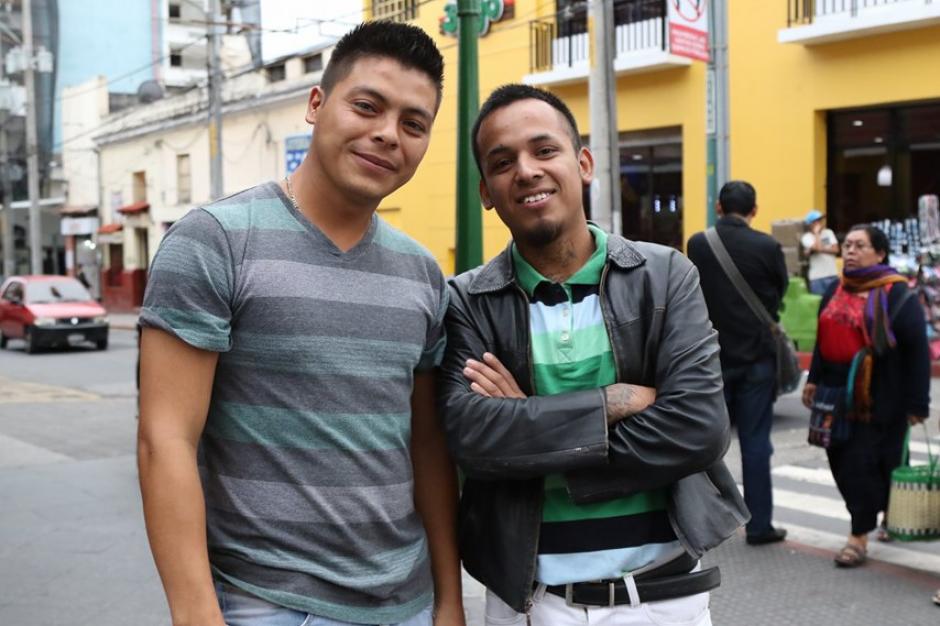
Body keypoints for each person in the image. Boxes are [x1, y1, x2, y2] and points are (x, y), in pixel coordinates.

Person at [137, 21, 464, 626]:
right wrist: (197, 615)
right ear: (317, 104)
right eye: (367, 106)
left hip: (407, 605)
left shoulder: (422, 274)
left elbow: (426, 446)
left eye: (413, 124)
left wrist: (449, 600)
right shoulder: (214, 242)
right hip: (268, 606)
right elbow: (165, 442)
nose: (388, 134)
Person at [437, 84, 747, 626]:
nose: (527, 170)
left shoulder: (664, 275)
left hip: (664, 600)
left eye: (545, 150)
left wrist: (529, 429)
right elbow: (471, 437)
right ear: (486, 191)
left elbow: (698, 427)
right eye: (503, 162)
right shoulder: (467, 300)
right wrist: (612, 400)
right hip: (528, 603)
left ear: (582, 163)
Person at [802, 225, 929, 568]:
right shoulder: (835, 289)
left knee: (877, 461)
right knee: (840, 459)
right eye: (847, 245)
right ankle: (881, 513)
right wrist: (813, 378)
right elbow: (823, 338)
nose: (851, 251)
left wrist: (919, 404)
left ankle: (858, 536)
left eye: (860, 245)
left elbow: (918, 352)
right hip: (836, 392)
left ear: (880, 253)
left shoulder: (897, 295)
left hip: (883, 395)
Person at [687, 181, 789, 546]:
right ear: (754, 210)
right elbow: (780, 291)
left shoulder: (699, 244)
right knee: (756, 442)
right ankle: (759, 525)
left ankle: (700, 522)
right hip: (758, 358)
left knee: (704, 444)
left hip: (711, 359)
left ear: (718, 207)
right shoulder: (767, 246)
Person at [801, 209, 840, 295]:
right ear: (811, 224)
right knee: (819, 306)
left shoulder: (828, 232)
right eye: (817, 221)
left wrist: (815, 250)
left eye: (821, 220)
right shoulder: (807, 237)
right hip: (817, 278)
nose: (821, 222)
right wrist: (817, 233)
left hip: (832, 275)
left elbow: (836, 249)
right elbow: (818, 248)